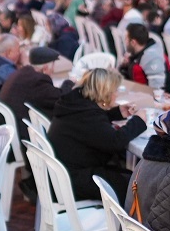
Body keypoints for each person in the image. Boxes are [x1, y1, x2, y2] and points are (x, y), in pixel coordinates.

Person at [48, 68, 147, 203]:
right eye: (115, 91)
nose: (117, 95)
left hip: (65, 173)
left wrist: (117, 112)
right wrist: (139, 121)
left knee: (132, 177)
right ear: (105, 92)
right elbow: (115, 142)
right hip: (74, 181)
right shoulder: (87, 114)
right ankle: (128, 222)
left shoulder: (75, 104)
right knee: (135, 186)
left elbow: (93, 126)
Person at [0, 46, 72, 143]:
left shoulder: (23, 73)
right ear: (45, 68)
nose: (53, 71)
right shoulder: (38, 81)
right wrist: (69, 82)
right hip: (24, 139)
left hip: (10, 132)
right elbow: (62, 99)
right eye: (53, 66)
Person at [120, 23, 168, 90]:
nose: (125, 42)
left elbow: (157, 89)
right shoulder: (136, 54)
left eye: (126, 39)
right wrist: (124, 66)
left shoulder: (152, 57)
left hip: (149, 96)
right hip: (138, 92)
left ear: (133, 42)